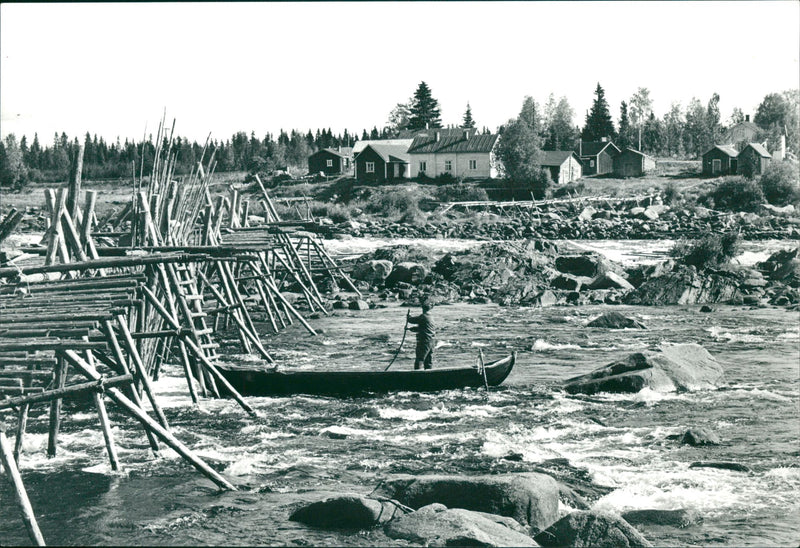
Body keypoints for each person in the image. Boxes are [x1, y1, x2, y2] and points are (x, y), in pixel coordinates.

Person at [407, 301, 435, 370]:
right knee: (428, 361)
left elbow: (411, 320)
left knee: (420, 359)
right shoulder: (430, 317)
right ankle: (429, 374)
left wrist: (408, 316)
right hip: (431, 341)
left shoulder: (423, 316)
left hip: (424, 341)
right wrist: (409, 329)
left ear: (423, 309)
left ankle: (417, 375)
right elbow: (422, 328)